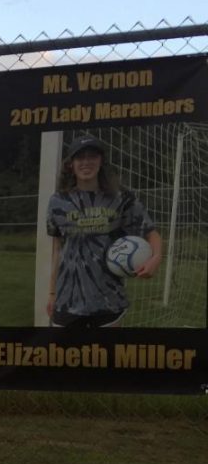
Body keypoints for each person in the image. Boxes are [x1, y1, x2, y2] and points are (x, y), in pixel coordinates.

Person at [46, 135, 162, 327]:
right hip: (67, 300)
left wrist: (155, 258)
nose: (86, 162)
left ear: (101, 161)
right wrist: (52, 293)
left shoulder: (121, 198)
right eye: (79, 157)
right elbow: (56, 250)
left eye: (92, 156)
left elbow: (151, 233)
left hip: (109, 300)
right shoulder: (58, 201)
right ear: (71, 164)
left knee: (106, 356)